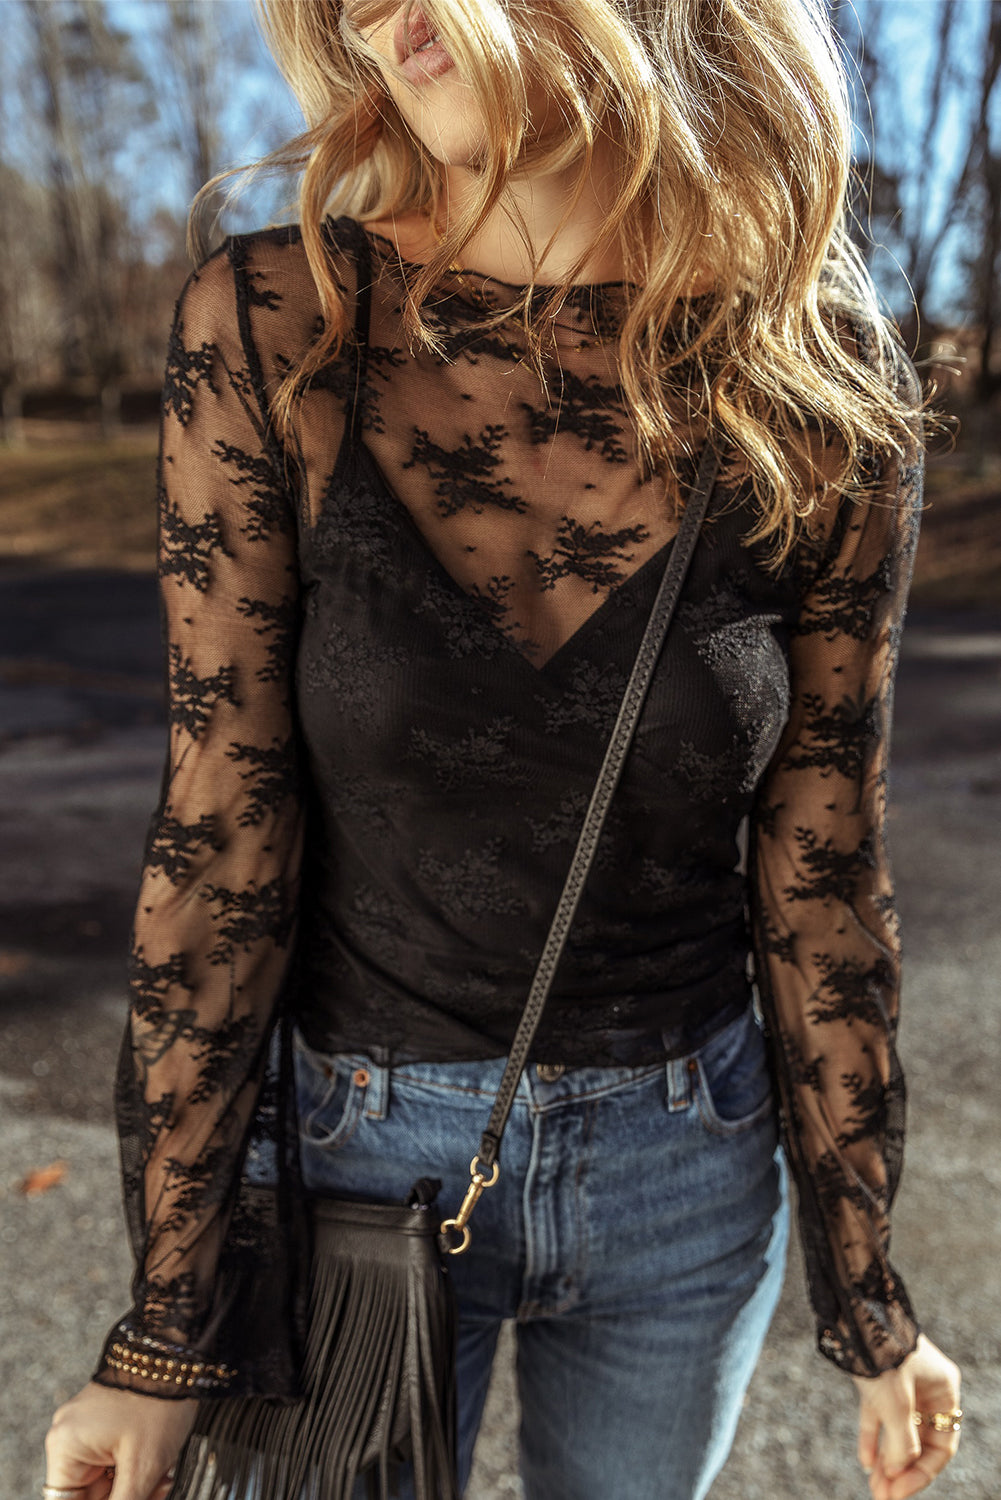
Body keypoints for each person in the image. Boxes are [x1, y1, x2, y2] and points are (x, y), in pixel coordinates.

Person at [44, 1, 962, 1498]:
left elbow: (824, 876)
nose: (375, 11)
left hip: (688, 1170)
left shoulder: (813, 387)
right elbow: (221, 831)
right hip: (357, 1157)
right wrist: (160, 1336)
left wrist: (868, 1308)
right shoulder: (282, 322)